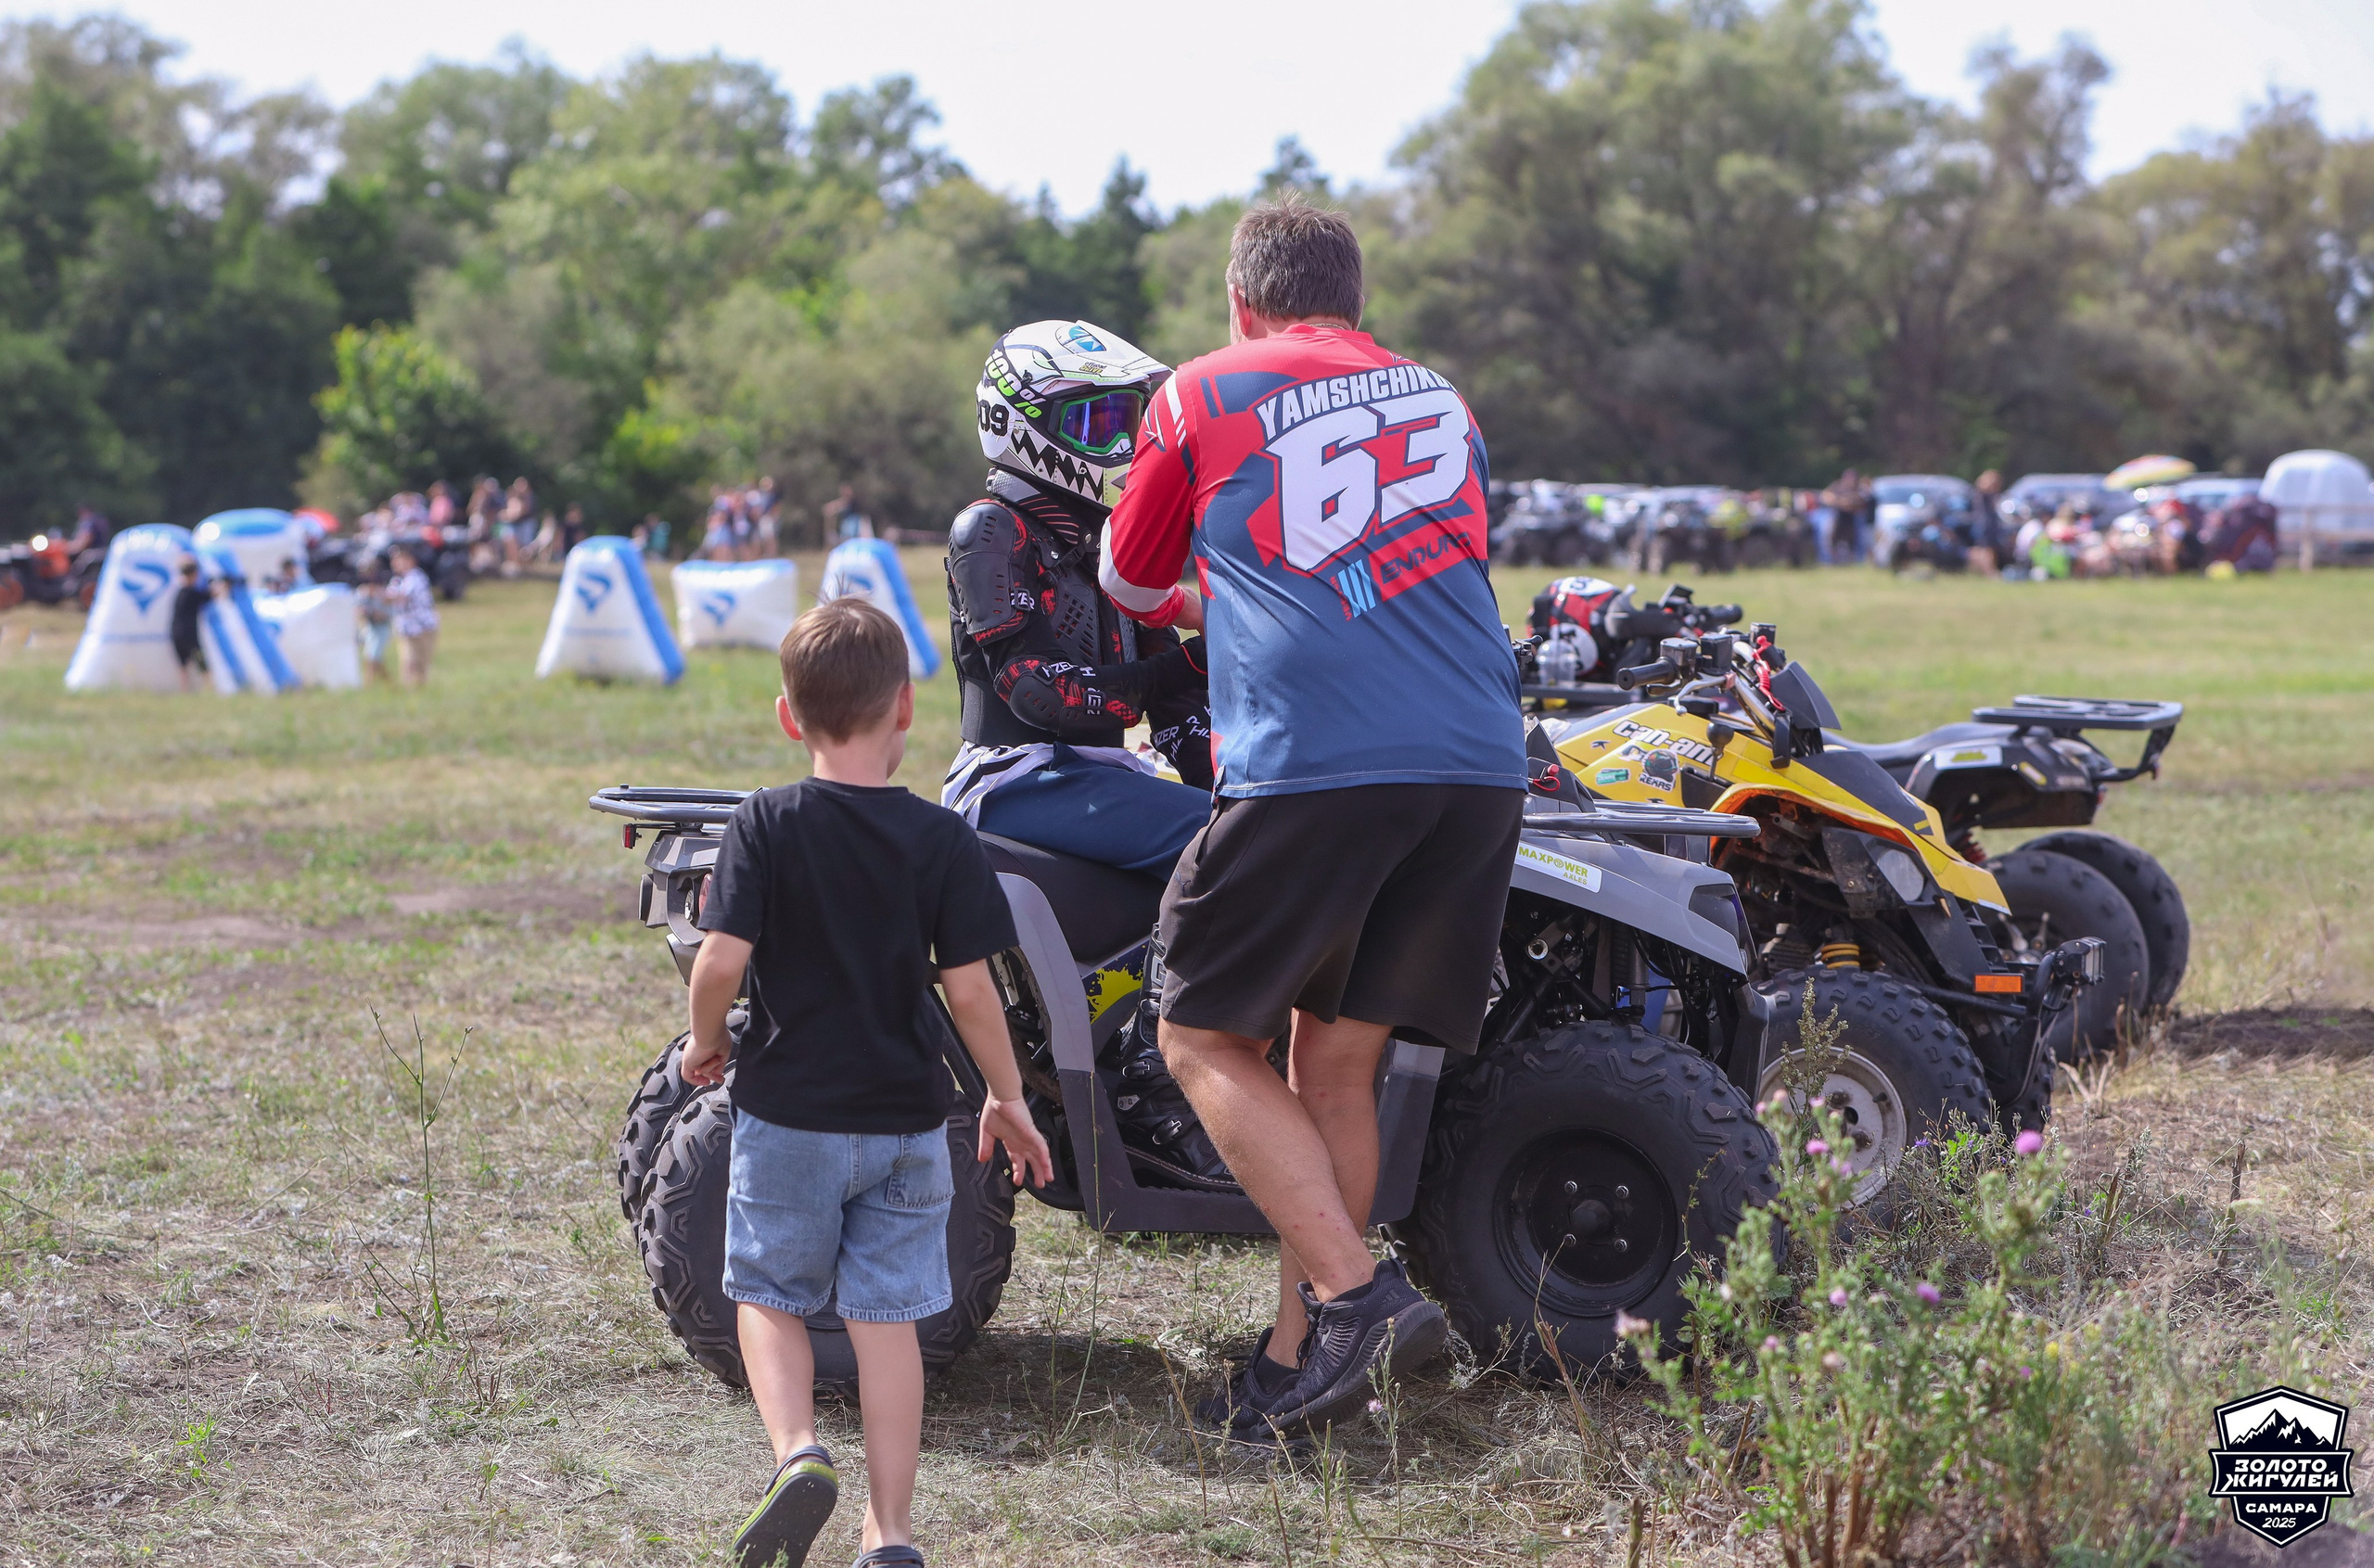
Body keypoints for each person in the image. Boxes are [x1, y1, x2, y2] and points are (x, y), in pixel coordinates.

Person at [1102, 198, 1527, 1439]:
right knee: (1332, 1058)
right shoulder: (1442, 397)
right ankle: (1302, 1358)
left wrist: (1211, 598)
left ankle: (1355, 1294)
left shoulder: (1199, 389)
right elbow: (1441, 552)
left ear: (1242, 303)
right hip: (1476, 762)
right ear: (1356, 300)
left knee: (1197, 1032)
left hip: (1320, 763)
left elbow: (1130, 583)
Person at [681, 598, 1053, 1568]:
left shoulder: (765, 820)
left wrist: (701, 1038)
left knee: (767, 1288)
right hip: (906, 1120)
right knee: (888, 1319)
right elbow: (970, 991)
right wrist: (1006, 1096)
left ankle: (799, 1450)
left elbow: (720, 959)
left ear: (788, 716)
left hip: (789, 1114)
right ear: (905, 708)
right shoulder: (941, 839)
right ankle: (890, 1531)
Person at [942, 320, 1217, 877]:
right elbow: (1039, 692)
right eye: (1095, 422)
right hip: (1011, 780)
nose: (1120, 444)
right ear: (1019, 424)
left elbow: (1174, 711)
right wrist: (1195, 660)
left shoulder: (1111, 544)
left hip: (1100, 772)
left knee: (1259, 827)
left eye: (1127, 421)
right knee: (1226, 846)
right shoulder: (991, 530)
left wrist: (1241, 792)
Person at [387, 546, 439, 686]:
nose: (396, 564)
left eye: (400, 560)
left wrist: (378, 594)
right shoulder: (396, 581)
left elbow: (402, 597)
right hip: (406, 628)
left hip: (423, 627)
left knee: (422, 662)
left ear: (410, 561)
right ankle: (409, 689)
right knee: (408, 661)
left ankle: (420, 688)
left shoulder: (416, 577)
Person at [169, 559, 211, 694]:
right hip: (188, 633)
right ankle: (209, 690)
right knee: (202, 664)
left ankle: (185, 692)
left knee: (183, 666)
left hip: (175, 633)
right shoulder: (191, 593)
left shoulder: (180, 592)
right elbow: (209, 596)